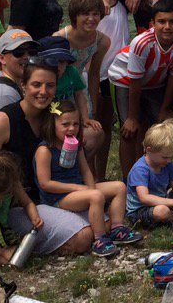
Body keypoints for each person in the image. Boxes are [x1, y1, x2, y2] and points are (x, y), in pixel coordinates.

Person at [0, 62, 93, 256]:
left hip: (52, 196)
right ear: (23, 85)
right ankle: (4, 245)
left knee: (103, 224)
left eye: (50, 85)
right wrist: (10, 192)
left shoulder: (54, 117)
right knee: (84, 237)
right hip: (14, 205)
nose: (43, 92)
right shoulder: (3, 122)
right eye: (36, 85)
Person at [34, 99, 138, 258]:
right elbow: (45, 183)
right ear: (52, 124)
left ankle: (116, 228)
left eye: (76, 124)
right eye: (65, 124)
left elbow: (85, 171)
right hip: (57, 198)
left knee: (119, 187)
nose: (71, 128)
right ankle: (99, 239)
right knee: (95, 196)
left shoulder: (76, 145)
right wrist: (82, 190)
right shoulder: (45, 150)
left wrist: (91, 187)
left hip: (79, 190)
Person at [109, 0, 173, 175]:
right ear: (152, 24)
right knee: (129, 130)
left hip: (155, 82)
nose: (167, 27)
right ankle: (128, 180)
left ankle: (152, 172)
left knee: (157, 123)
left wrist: (164, 108)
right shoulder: (142, 43)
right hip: (125, 80)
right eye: (161, 22)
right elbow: (135, 81)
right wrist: (132, 117)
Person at [80, 0, 131, 178]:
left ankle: (100, 176)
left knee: (106, 127)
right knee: (92, 126)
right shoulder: (91, 3)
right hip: (94, 73)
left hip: (115, 75)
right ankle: (89, 176)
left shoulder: (122, 2)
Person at [125, 120, 173, 234]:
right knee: (162, 211)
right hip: (141, 210)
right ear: (149, 150)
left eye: (171, 157)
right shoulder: (140, 169)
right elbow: (144, 198)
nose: (169, 160)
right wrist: (172, 202)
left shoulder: (167, 165)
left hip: (163, 200)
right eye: (165, 157)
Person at [36, 36, 103, 157]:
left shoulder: (71, 72)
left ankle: (78, 162)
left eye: (62, 62)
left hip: (68, 119)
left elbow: (79, 95)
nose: (57, 66)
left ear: (67, 62)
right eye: (53, 61)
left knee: (97, 133)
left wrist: (85, 118)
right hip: (46, 121)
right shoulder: (40, 77)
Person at [0, 29, 39, 138]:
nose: (26, 57)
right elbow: (7, 141)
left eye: (32, 52)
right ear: (2, 58)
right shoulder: (4, 95)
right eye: (18, 52)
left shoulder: (14, 83)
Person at [56, 0, 111, 119]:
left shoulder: (102, 41)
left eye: (95, 14)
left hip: (79, 86)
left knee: (87, 118)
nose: (91, 19)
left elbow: (94, 73)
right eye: (85, 14)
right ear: (75, 15)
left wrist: (94, 104)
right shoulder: (60, 38)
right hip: (59, 88)